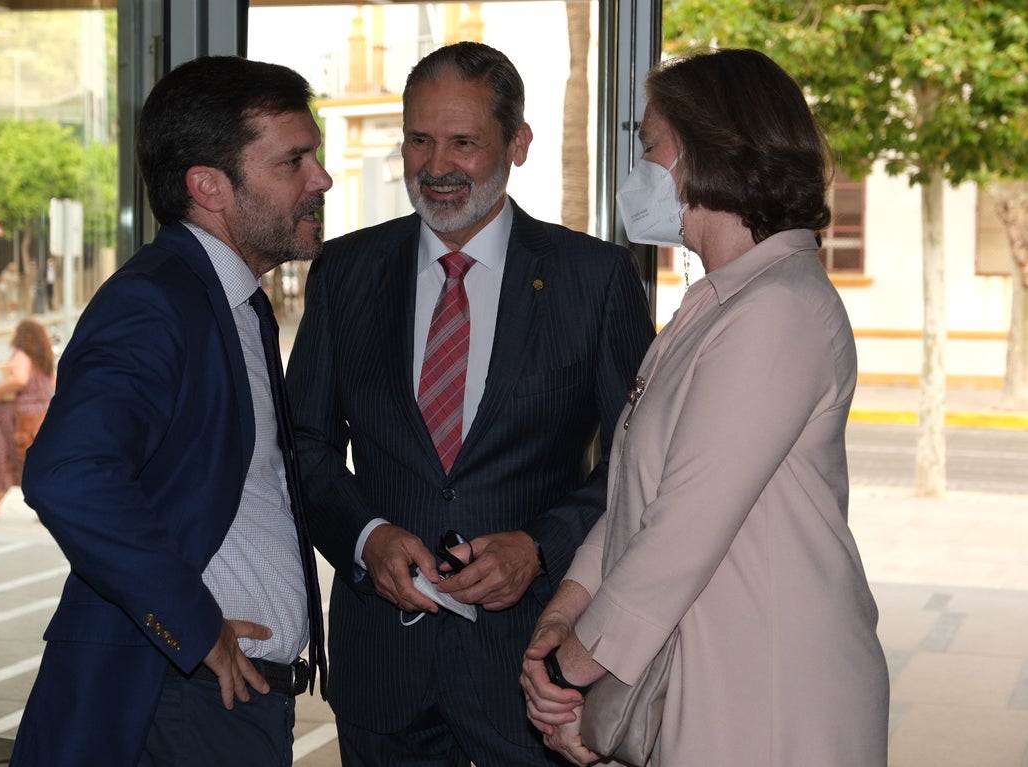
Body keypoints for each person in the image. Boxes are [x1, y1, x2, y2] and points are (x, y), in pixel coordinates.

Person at [287, 41, 654, 766]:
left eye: (463, 142)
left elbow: (639, 462)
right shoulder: (346, 271)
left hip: (533, 671)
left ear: (518, 143)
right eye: (419, 140)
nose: (436, 166)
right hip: (383, 671)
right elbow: (304, 443)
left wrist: (540, 544)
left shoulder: (595, 279)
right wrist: (366, 538)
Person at [520, 48, 889, 767]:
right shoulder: (718, 305)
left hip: (773, 699)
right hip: (711, 680)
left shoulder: (778, 308)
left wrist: (569, 671)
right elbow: (640, 499)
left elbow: (681, 533)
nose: (641, 169)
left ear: (707, 151)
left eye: (650, 144)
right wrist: (564, 611)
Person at [9, 55, 332, 767]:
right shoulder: (156, 301)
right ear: (208, 186)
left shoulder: (231, 302)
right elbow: (67, 471)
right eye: (293, 162)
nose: (321, 179)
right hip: (180, 697)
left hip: (222, 699)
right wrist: (193, 623)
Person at [0, 318, 55, 519]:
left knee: (5, 459)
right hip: (40, 416)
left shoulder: (22, 355)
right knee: (29, 463)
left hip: (18, 419)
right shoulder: (44, 359)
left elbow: (19, 379)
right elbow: (53, 385)